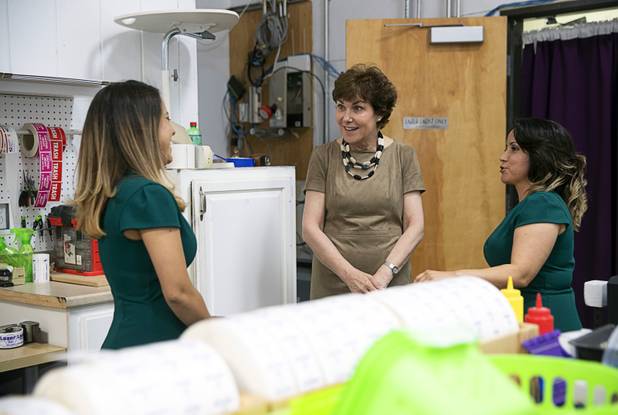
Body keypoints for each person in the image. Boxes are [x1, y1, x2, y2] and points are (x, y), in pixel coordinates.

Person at [73, 80, 210, 349]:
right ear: (140, 131)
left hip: (126, 344)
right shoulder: (148, 196)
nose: (172, 131)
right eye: (166, 119)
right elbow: (179, 294)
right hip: (155, 348)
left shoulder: (115, 193)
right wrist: (213, 331)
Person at [416, 118, 587, 331]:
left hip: (546, 324)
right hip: (525, 319)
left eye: (514, 149)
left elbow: (521, 273)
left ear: (538, 156)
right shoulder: (532, 204)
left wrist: (452, 277)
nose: (503, 157)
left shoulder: (543, 203)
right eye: (506, 148)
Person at [302, 64, 425, 299]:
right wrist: (350, 275)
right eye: (341, 107)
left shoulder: (403, 156)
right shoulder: (322, 156)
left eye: (357, 108)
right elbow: (309, 228)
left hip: (388, 283)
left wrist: (384, 275)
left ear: (379, 113)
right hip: (333, 284)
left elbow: (416, 225)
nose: (346, 118)